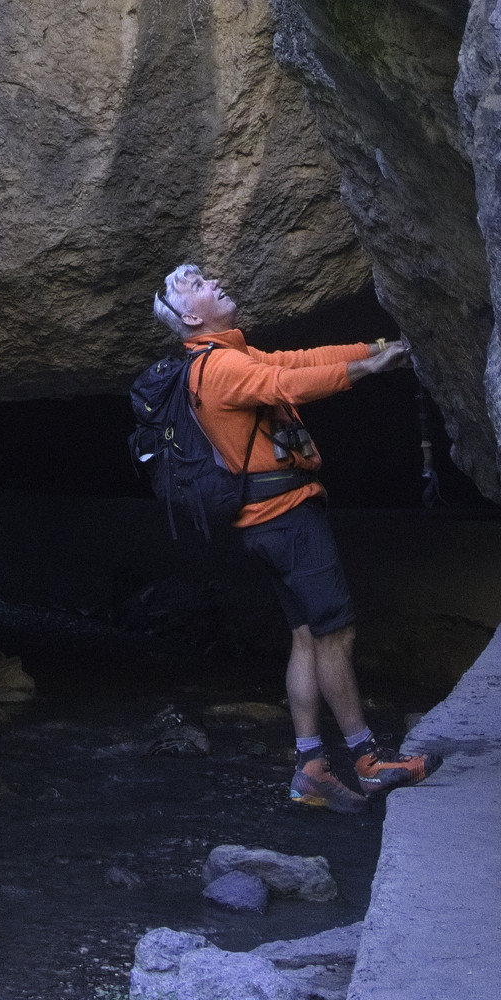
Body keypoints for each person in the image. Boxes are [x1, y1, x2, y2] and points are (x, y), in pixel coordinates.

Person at [153, 261, 443, 814]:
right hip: (287, 519)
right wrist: (367, 369)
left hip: (267, 523)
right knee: (337, 633)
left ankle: (310, 767)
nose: (215, 280)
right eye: (199, 285)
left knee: (307, 635)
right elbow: (287, 384)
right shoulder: (216, 369)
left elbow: (296, 361)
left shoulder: (223, 357)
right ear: (191, 314)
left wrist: (379, 348)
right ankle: (368, 762)